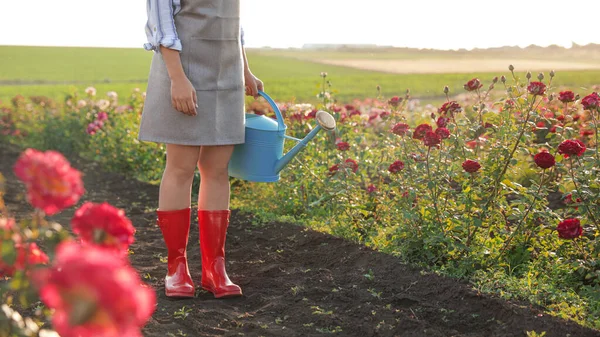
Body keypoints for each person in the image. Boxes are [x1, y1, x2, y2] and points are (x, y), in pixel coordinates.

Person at [139, 0, 263, 299]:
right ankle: (176, 268)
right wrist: (178, 79)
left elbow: (235, 27)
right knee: (181, 168)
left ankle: (214, 269)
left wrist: (245, 69)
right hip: (183, 71)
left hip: (227, 73)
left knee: (217, 170)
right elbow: (162, 26)